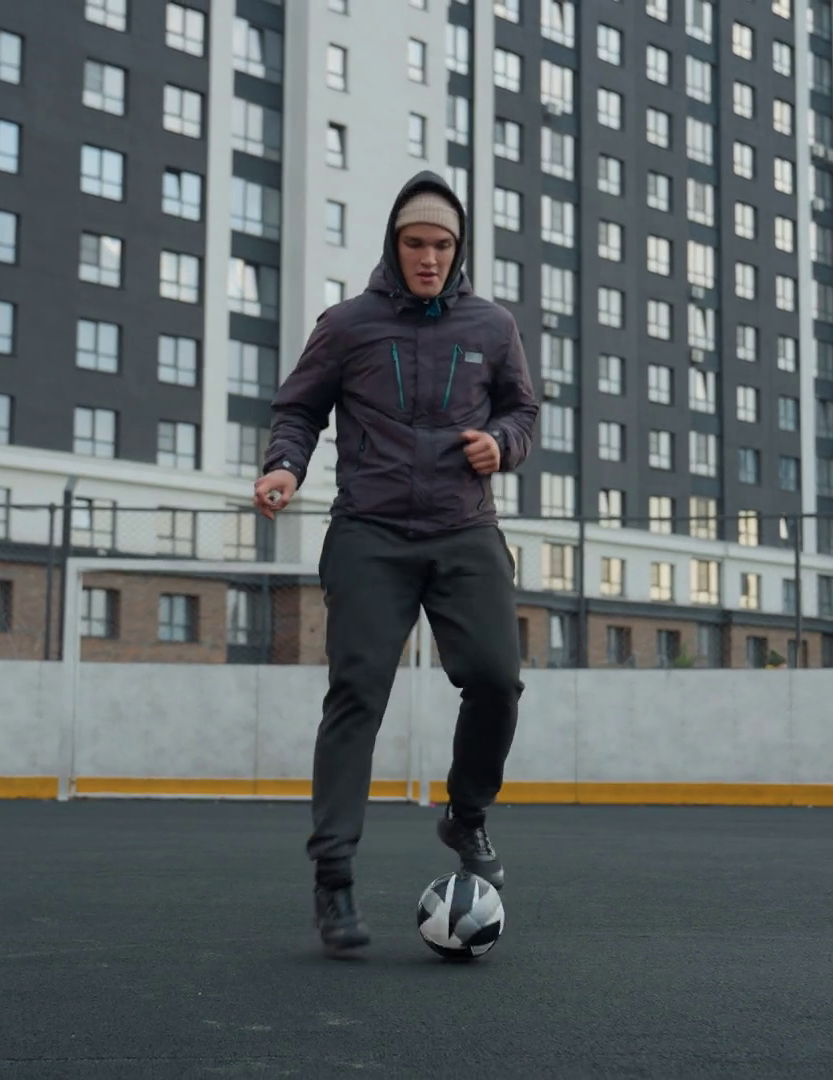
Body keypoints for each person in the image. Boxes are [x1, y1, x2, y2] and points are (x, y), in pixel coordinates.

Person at [254, 171, 539, 958]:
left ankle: (466, 814)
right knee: (356, 697)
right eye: (415, 243)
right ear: (394, 244)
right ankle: (334, 879)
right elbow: (299, 408)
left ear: (459, 248)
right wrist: (284, 466)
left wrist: (502, 444)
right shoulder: (348, 325)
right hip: (369, 534)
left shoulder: (493, 325)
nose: (428, 258)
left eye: (442, 245)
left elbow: (522, 409)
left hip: (464, 530)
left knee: (496, 679)